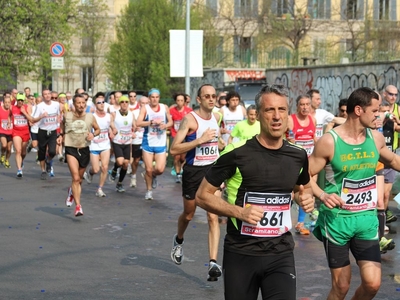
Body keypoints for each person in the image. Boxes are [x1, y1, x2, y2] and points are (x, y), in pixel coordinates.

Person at [195, 84, 314, 300]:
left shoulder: (298, 155)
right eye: (270, 110)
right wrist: (240, 213)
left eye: (282, 110)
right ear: (258, 115)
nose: (277, 116)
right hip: (241, 253)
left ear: (289, 114)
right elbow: (202, 196)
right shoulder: (236, 154)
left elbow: (300, 190)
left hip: (281, 253)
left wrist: (305, 199)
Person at [308, 87, 400, 300]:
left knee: (373, 284)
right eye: (375, 110)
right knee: (341, 286)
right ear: (359, 110)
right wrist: (321, 195)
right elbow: (304, 176)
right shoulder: (330, 141)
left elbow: (394, 161)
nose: (379, 115)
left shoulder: (375, 139)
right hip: (337, 222)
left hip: (366, 220)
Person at [170, 84, 226, 281]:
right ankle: (178, 240)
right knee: (189, 214)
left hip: (212, 170)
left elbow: (217, 141)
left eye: (214, 96)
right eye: (207, 96)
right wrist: (199, 140)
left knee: (213, 216)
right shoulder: (190, 119)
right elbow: (174, 149)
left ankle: (213, 263)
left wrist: (219, 144)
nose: (211, 99)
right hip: (193, 171)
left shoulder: (218, 116)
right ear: (199, 99)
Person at [60, 93, 100, 216]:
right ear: (74, 104)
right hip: (71, 149)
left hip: (84, 149)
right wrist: (60, 136)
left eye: (83, 103)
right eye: (79, 103)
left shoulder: (90, 117)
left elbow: (98, 129)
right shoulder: (67, 115)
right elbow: (62, 126)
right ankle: (78, 206)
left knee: (79, 180)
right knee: (76, 178)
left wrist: (93, 134)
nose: (81, 105)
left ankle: (71, 191)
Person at [287, 94, 317, 235]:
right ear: (297, 106)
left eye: (307, 104)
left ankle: (300, 223)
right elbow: (288, 140)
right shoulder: (291, 120)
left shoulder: (313, 119)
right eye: (302, 104)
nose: (305, 107)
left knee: (308, 193)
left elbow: (313, 138)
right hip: (295, 162)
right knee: (294, 193)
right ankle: (286, 217)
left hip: (310, 162)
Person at [136, 88, 173, 200]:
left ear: (159, 98)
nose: (155, 99)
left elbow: (171, 122)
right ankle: (149, 191)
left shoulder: (164, 107)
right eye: (152, 97)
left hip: (160, 143)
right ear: (149, 98)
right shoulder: (145, 108)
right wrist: (150, 122)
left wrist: (165, 125)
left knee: (160, 169)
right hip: (148, 142)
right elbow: (138, 123)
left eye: (157, 97)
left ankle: (153, 176)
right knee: (148, 169)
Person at [84, 92, 114, 197]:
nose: (101, 104)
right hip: (94, 145)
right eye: (99, 102)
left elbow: (112, 126)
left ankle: (100, 189)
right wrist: (89, 135)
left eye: (103, 102)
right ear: (95, 105)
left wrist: (114, 130)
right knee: (96, 169)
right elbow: (86, 128)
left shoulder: (109, 116)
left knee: (105, 168)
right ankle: (90, 173)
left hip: (105, 145)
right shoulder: (91, 116)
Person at [12, 93, 46, 177]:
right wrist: (9, 121)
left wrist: (24, 112)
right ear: (16, 100)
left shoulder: (27, 108)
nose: (20, 102)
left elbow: (31, 119)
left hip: (25, 132)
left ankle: (21, 161)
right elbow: (9, 115)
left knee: (23, 153)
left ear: (24, 101)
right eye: (18, 100)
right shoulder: (12, 108)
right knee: (18, 151)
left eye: (21, 100)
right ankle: (19, 170)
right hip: (16, 132)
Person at [380, 85, 400, 224]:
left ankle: (383, 217)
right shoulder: (378, 108)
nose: (393, 97)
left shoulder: (398, 110)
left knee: (387, 193)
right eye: (390, 94)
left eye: (395, 95)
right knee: (379, 193)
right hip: (377, 156)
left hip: (393, 152)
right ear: (384, 94)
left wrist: (397, 123)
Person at [108, 95, 135, 193]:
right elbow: (110, 122)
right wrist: (113, 128)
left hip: (127, 142)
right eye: (122, 102)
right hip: (117, 141)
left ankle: (119, 183)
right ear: (119, 103)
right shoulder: (115, 114)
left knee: (125, 164)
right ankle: (114, 169)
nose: (124, 103)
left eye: (126, 102)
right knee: (120, 162)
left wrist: (134, 132)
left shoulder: (131, 114)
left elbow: (134, 125)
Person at [36, 89, 61, 179]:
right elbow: (34, 119)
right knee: (42, 152)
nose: (47, 96)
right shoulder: (39, 106)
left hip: (53, 131)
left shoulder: (56, 105)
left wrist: (59, 130)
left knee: (53, 151)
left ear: (51, 95)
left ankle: (48, 160)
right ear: (43, 96)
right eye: (45, 94)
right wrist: (41, 116)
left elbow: (59, 115)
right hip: (42, 131)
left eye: (48, 94)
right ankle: (43, 171)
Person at [169, 93, 192, 182]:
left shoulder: (189, 111)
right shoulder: (172, 111)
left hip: (186, 137)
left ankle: (182, 170)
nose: (180, 102)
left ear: (184, 101)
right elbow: (170, 122)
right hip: (175, 136)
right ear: (175, 101)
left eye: (182, 100)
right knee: (176, 157)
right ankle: (178, 174)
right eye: (178, 100)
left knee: (183, 158)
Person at [129, 96, 149, 188]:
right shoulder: (134, 113)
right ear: (139, 103)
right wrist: (133, 129)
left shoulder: (151, 112)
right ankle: (133, 176)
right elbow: (130, 126)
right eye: (142, 103)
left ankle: (146, 174)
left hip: (148, 139)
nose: (144, 105)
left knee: (149, 160)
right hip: (137, 139)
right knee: (136, 160)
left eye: (146, 103)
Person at [0, 96, 13, 168]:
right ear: (3, 103)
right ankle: (2, 154)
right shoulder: (0, 109)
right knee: (4, 145)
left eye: (9, 102)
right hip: (2, 131)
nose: (7, 104)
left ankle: (7, 160)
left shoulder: (12, 110)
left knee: (9, 148)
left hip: (11, 132)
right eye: (6, 102)